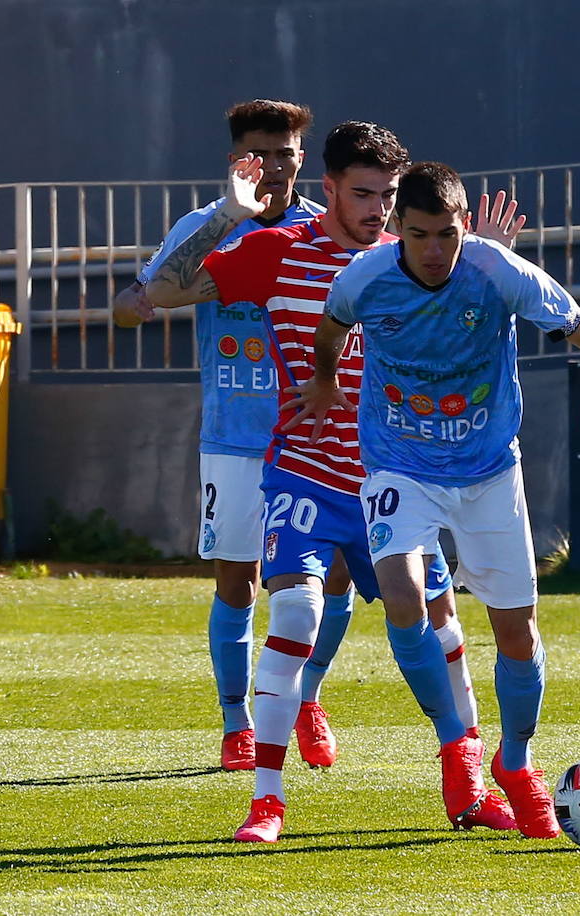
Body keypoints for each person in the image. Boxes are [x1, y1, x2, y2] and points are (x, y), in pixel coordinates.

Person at [143, 123, 524, 843]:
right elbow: (158, 291)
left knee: (443, 632)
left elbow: (470, 331)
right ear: (329, 190)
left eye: (388, 194)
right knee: (293, 617)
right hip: (306, 474)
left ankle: (467, 786)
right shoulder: (277, 251)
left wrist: (494, 267)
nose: (379, 209)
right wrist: (228, 214)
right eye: (363, 194)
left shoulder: (412, 257)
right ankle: (266, 802)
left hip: (394, 481)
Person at [290, 161, 580, 839]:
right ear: (399, 231)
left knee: (517, 635)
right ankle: (456, 746)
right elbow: (329, 331)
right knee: (403, 596)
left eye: (446, 233)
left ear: (464, 225)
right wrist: (324, 382)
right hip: (398, 467)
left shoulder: (499, 272)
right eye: (419, 235)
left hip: (489, 474)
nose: (435, 249)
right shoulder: (365, 279)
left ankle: (517, 764)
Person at [112, 99, 350, 772]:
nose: (273, 167)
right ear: (236, 159)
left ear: (304, 158)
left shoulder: (328, 230)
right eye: (259, 154)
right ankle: (236, 723)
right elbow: (136, 304)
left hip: (312, 434)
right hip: (234, 436)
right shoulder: (207, 225)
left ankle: (307, 699)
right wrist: (227, 218)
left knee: (331, 577)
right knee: (237, 580)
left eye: (286, 153)